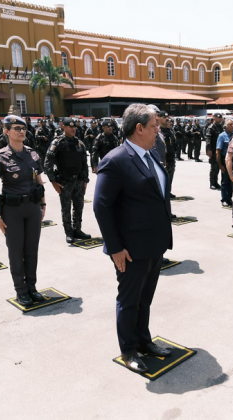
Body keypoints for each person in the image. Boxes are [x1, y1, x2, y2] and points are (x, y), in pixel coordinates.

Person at [93, 103, 173, 374]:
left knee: (145, 300)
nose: (157, 131)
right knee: (129, 301)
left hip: (153, 244)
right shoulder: (115, 160)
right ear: (139, 129)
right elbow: (101, 206)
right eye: (154, 127)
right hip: (130, 249)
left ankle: (144, 341)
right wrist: (115, 248)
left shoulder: (152, 155)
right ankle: (129, 350)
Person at [0, 115, 46, 306]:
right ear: (6, 131)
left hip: (32, 208)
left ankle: (32, 287)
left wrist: (42, 205)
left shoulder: (32, 154)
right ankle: (21, 290)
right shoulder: (0, 156)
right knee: (16, 251)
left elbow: (39, 181)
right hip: (12, 210)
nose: (21, 131)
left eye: (23, 128)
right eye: (16, 128)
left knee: (31, 250)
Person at [44, 118, 91, 244]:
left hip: (79, 181)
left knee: (79, 206)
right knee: (66, 208)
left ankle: (77, 230)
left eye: (74, 127)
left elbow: (84, 163)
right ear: (63, 127)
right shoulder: (58, 142)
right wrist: (53, 181)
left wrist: (85, 180)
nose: (73, 129)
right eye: (70, 127)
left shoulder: (79, 143)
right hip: (65, 181)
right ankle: (69, 232)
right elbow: (47, 163)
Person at [158, 111, 177, 198]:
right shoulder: (158, 131)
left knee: (170, 176)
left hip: (171, 157)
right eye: (164, 117)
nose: (167, 119)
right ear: (159, 118)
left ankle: (168, 192)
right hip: (162, 159)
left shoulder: (170, 131)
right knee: (162, 178)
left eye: (167, 117)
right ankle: (162, 193)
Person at [216, 119, 233, 206]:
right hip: (225, 159)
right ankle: (224, 199)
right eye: (230, 124)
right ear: (225, 126)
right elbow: (218, 151)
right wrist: (220, 165)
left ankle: (229, 198)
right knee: (225, 180)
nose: (232, 126)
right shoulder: (222, 136)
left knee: (231, 180)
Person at [206, 113, 223, 190]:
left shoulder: (220, 127)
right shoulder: (211, 127)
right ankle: (212, 183)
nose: (219, 119)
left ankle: (216, 182)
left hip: (219, 150)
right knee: (213, 167)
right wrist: (208, 150)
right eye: (218, 118)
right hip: (213, 150)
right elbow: (208, 139)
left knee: (218, 167)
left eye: (220, 118)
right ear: (214, 118)